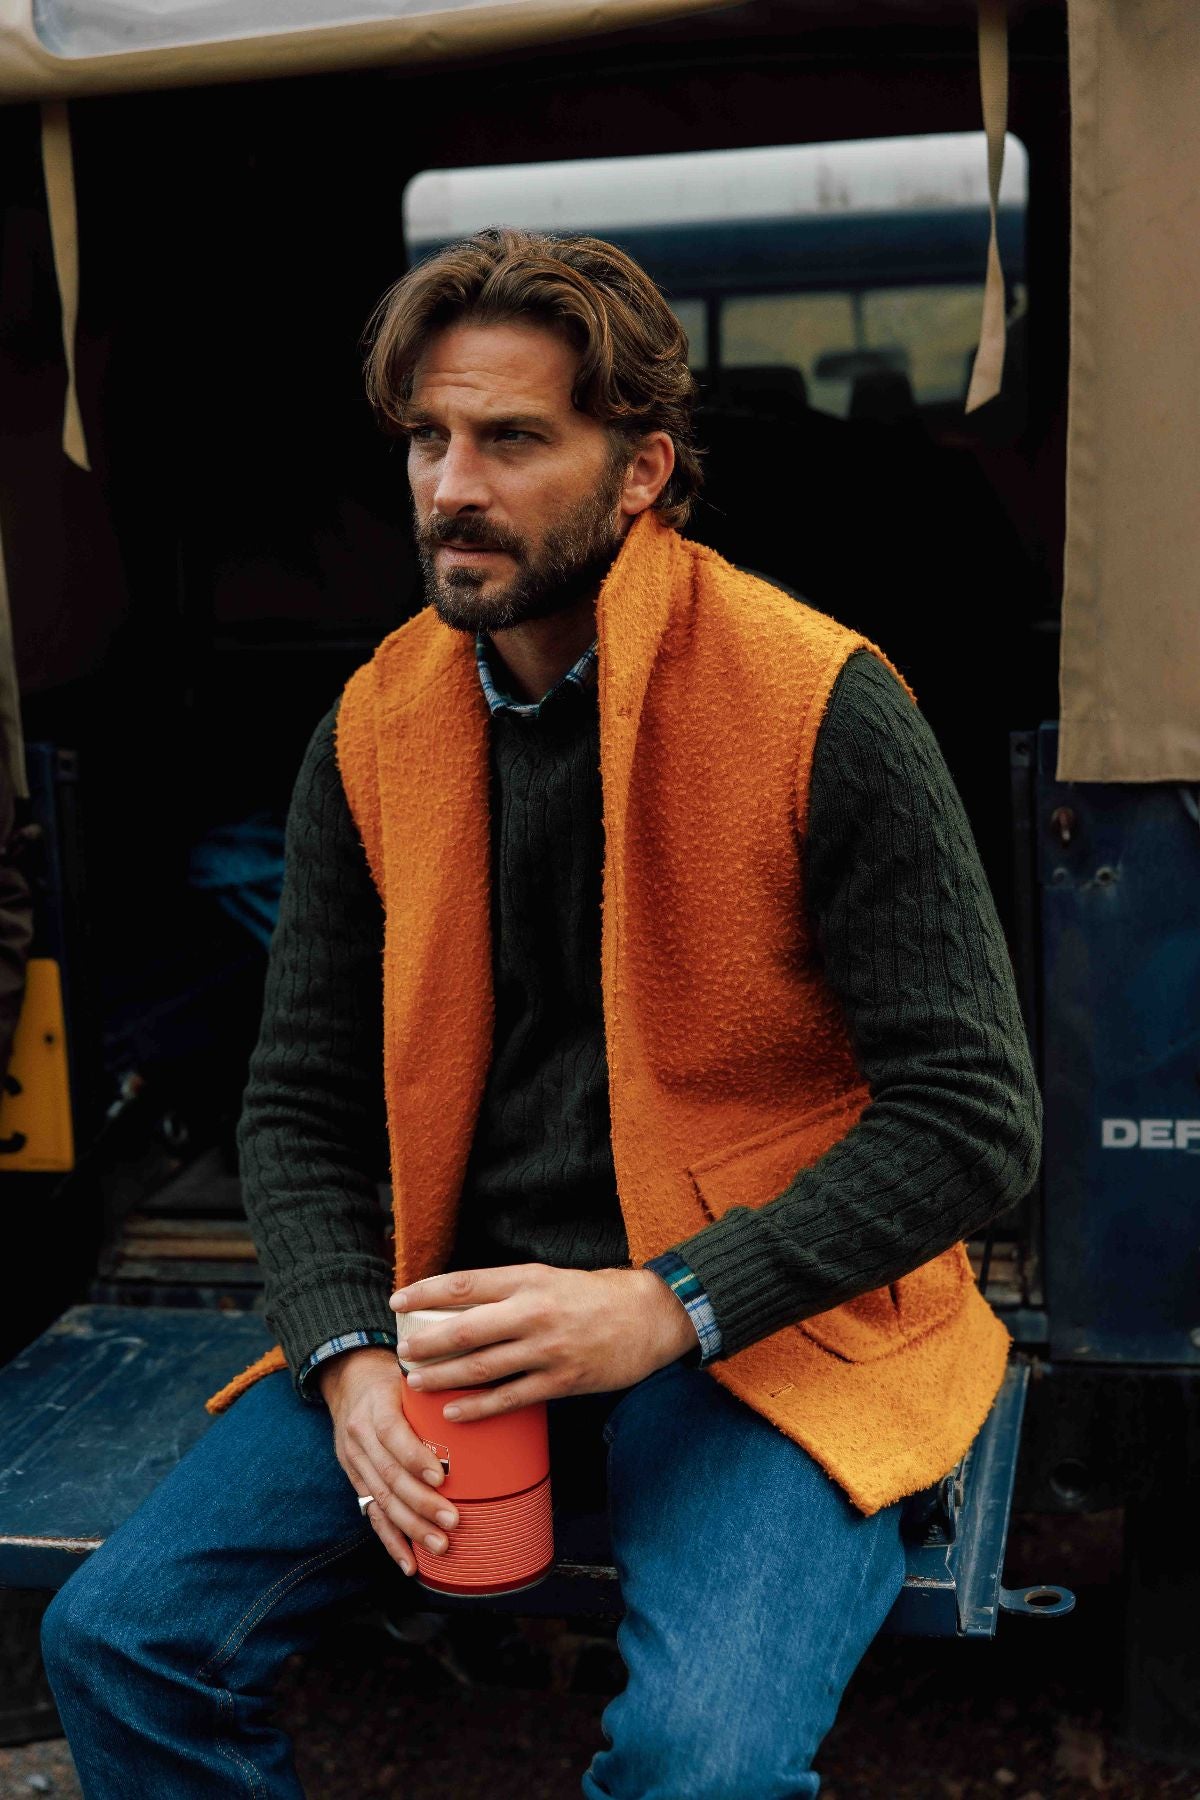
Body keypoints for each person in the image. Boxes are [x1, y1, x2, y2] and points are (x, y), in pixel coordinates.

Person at [40, 229, 1041, 1798]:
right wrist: (347, 1355)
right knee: (118, 1638)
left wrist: (667, 1304)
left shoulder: (822, 701)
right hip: (465, 1328)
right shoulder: (372, 726)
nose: (451, 486)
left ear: (640, 469)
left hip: (756, 1334)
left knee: (699, 1766)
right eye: (430, 439)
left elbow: (978, 1119)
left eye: (512, 440)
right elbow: (298, 1110)